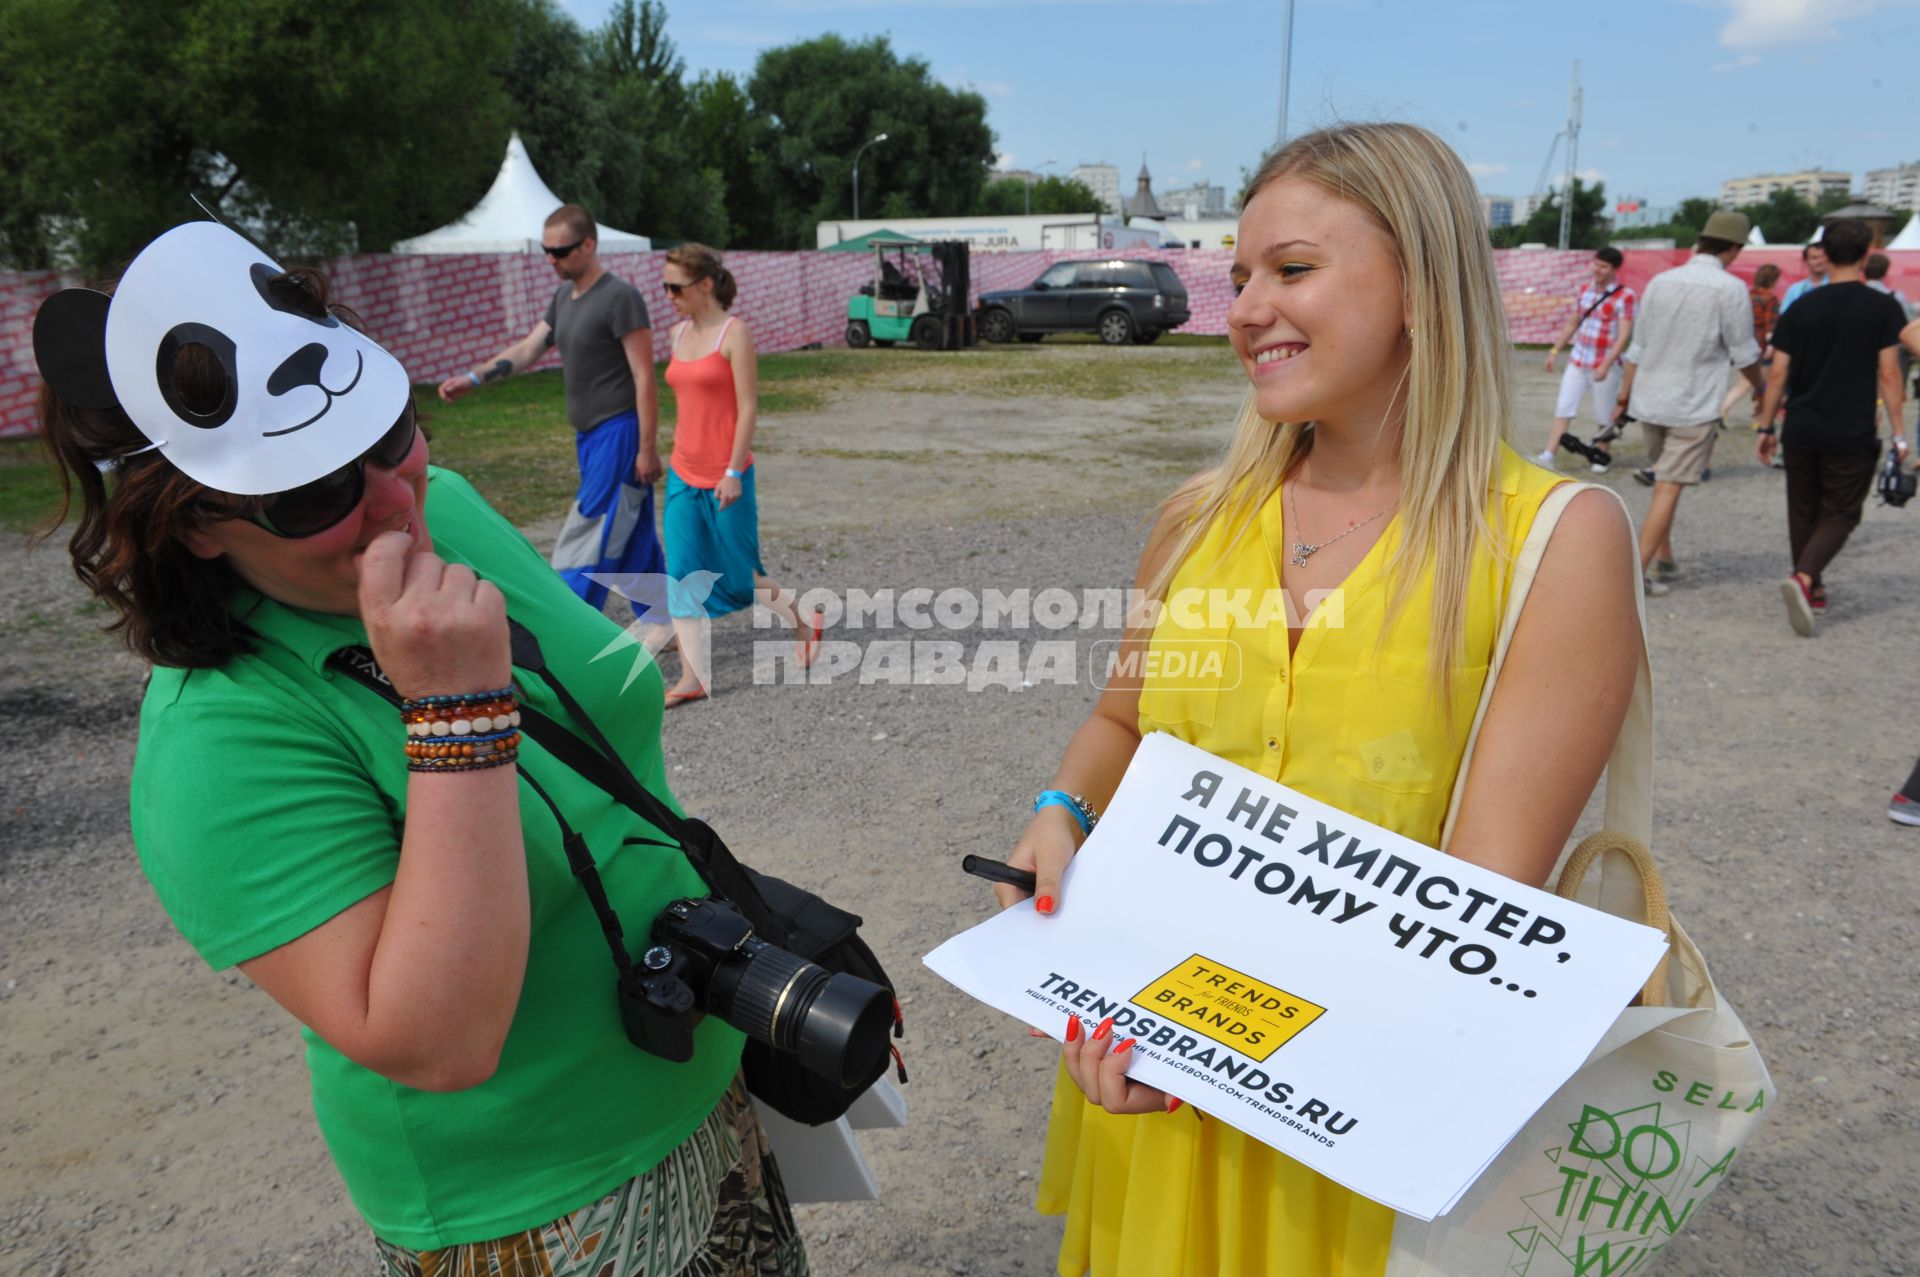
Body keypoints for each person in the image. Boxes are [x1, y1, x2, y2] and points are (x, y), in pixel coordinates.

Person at [32, 222, 808, 1274]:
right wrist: (453, 715)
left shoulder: (444, 506)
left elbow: (606, 763)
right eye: (313, 492)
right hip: (532, 1200)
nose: (395, 502)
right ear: (197, 521)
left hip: (699, 1088)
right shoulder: (219, 738)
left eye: (390, 429)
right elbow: (437, 1039)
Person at [993, 123, 1641, 1277]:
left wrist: (1219, 1044)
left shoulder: (1549, 540)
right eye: (1238, 278)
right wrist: (1063, 810)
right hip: (1149, 1074)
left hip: (1356, 1120)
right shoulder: (1200, 517)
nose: (1244, 309)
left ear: (1421, 288)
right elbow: (1122, 722)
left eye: (1290, 271)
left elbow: (1476, 907)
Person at [437, 204, 669, 633]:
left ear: (588, 245)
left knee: (591, 532)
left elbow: (644, 377)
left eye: (560, 251)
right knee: (630, 529)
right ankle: (665, 619)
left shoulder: (620, 297)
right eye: (546, 250)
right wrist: (475, 377)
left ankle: (564, 632)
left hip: (618, 432)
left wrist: (646, 448)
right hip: (589, 436)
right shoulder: (564, 297)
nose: (551, 259)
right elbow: (528, 349)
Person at [656, 243, 822, 705]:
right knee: (682, 572)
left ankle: (805, 622)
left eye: (676, 286)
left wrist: (732, 470)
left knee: (740, 573)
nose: (669, 294)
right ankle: (692, 678)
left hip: (728, 475)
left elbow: (748, 406)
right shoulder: (674, 334)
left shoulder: (735, 333)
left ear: (704, 285)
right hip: (683, 474)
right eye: (665, 286)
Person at [1753, 218, 1908, 635]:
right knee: (1842, 512)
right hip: (1850, 429)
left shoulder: (1800, 306)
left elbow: (1779, 372)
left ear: (1825, 251)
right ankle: (1804, 577)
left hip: (1800, 427)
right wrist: (1899, 433)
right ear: (1865, 256)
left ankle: (1813, 586)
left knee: (1803, 510)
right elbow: (1890, 373)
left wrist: (1765, 427)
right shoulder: (1881, 306)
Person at [1615, 211, 1763, 596]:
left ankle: (1665, 556)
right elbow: (1744, 353)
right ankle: (1636, 579)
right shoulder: (1729, 289)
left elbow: (1638, 347)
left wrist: (1624, 395)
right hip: (1693, 403)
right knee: (1668, 486)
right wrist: (1763, 391)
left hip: (1650, 398)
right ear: (1734, 248)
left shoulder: (1660, 282)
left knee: (1665, 482)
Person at [1539, 245, 1635, 473]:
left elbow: (1623, 336)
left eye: (1603, 266)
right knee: (1564, 407)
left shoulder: (1626, 295)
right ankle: (1549, 454)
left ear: (1614, 269)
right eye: (1596, 264)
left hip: (1605, 365)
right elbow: (1573, 322)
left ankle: (1601, 453)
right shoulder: (1585, 290)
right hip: (1578, 359)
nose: (1598, 269)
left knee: (1604, 414)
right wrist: (1555, 351)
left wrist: (1606, 363)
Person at [1720, 262, 1781, 421]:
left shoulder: (1748, 295)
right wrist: (1772, 345)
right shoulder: (1771, 299)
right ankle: (1759, 418)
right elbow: (1770, 324)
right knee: (1757, 384)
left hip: (1745, 343)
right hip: (1762, 346)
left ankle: (1728, 410)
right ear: (1773, 280)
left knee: (1747, 383)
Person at [1780, 241, 1830, 312]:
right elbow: (1784, 315)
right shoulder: (1795, 289)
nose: (1820, 261)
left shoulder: (1836, 285)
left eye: (1823, 257)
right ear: (1806, 261)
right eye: (1814, 258)